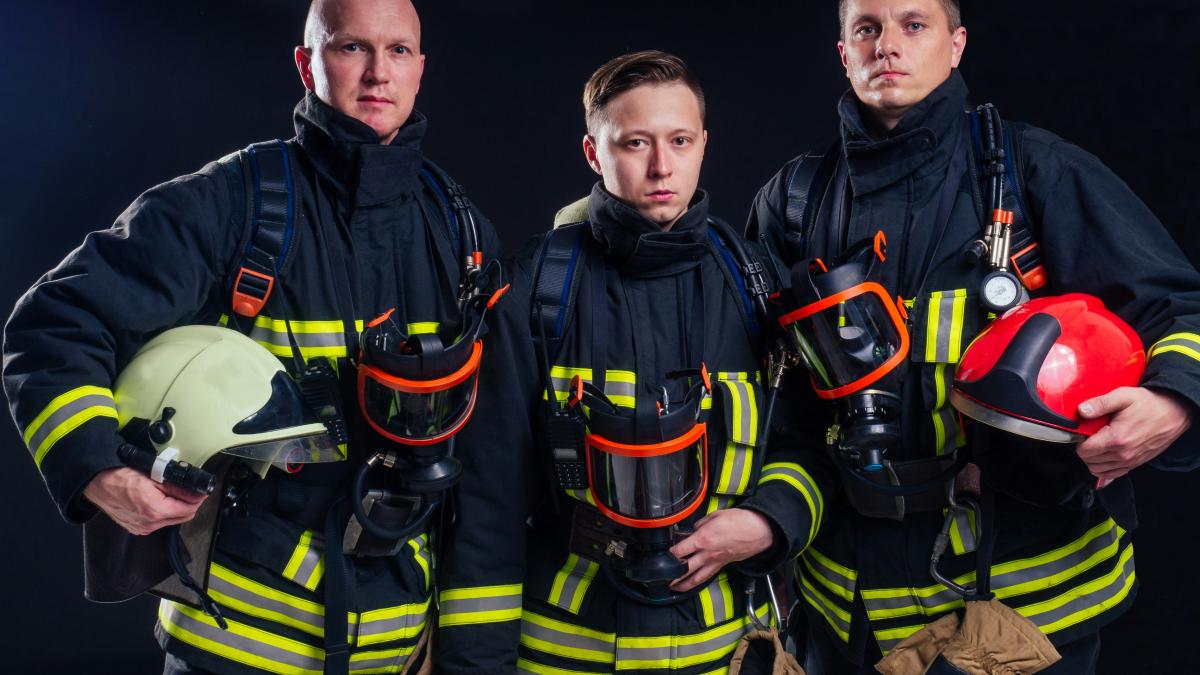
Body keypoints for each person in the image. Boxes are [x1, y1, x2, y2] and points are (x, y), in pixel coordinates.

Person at [2, 0, 501, 673]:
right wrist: (98, 469)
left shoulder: (459, 228)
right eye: (353, 47)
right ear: (307, 64)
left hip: (400, 654)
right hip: (233, 651)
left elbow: (491, 451)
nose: (379, 73)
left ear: (420, 69)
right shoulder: (234, 205)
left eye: (400, 51)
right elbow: (52, 326)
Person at [746, 0, 1200, 672]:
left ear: (956, 45)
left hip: (1023, 606)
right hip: (846, 609)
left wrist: (1174, 400)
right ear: (844, 54)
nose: (888, 45)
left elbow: (1180, 308)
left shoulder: (1034, 171)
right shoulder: (794, 198)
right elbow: (755, 383)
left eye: (914, 24)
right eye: (866, 28)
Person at [433, 49, 827, 674]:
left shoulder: (753, 283)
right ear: (594, 153)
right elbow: (487, 506)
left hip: (719, 653)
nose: (662, 166)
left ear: (704, 143)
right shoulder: (537, 287)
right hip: (563, 654)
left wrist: (769, 520)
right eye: (635, 143)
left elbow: (807, 439)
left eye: (679, 140)